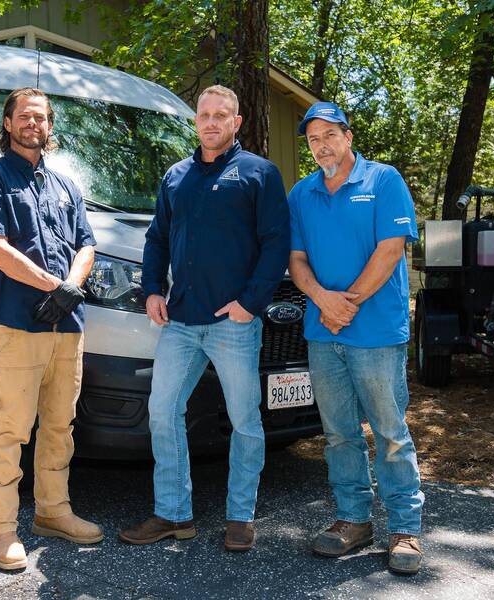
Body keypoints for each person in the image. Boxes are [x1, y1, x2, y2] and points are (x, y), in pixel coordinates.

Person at [119, 85, 290, 552]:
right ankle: (174, 513)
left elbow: (276, 243)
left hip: (233, 323)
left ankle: (240, 517)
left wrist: (249, 303)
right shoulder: (176, 176)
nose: (211, 122)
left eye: (221, 115)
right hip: (179, 321)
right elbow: (157, 238)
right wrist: (153, 289)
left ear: (237, 123)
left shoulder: (259, 173)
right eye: (204, 115)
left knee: (244, 421)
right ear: (196, 121)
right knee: (162, 412)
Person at [0, 87, 101, 571]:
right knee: (10, 430)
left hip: (68, 329)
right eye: (24, 116)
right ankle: (1, 530)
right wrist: (52, 286)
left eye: (41, 118)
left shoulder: (66, 186)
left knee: (60, 427)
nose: (33, 124)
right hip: (19, 326)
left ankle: (52, 511)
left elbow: (86, 245)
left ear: (50, 127)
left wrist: (70, 287)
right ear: (7, 123)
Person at [287, 101, 425, 574]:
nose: (321, 145)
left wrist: (346, 304)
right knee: (339, 434)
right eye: (312, 139)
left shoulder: (383, 181)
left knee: (389, 433)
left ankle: (405, 529)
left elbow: (391, 251)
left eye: (329, 135)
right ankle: (353, 520)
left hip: (377, 332)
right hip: (324, 333)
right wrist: (324, 301)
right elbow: (296, 260)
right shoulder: (302, 193)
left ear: (348, 136)